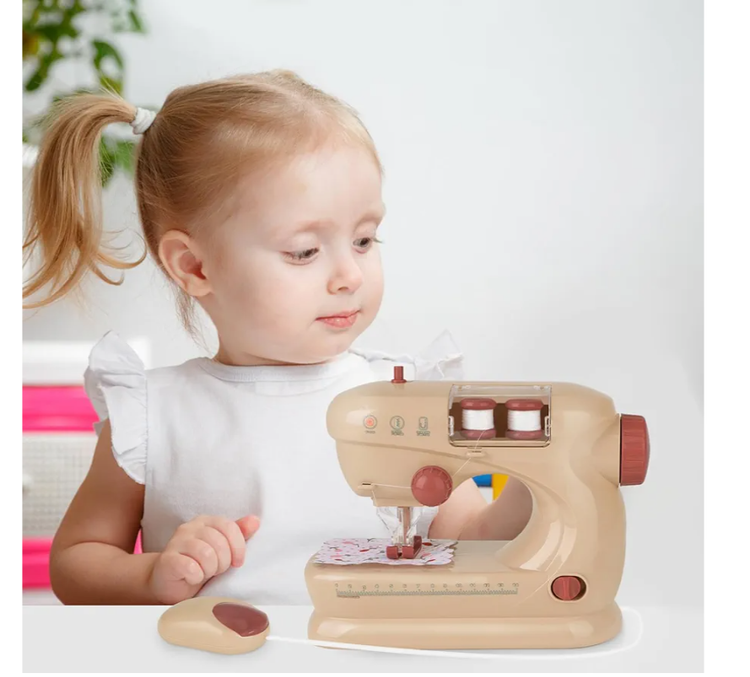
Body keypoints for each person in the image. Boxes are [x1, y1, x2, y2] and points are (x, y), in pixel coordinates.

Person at [23, 71, 532, 605]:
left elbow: (471, 538)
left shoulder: (404, 400)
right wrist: (152, 575)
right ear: (195, 266)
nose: (349, 275)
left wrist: (536, 491)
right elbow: (76, 564)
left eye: (364, 240)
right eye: (304, 251)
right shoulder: (154, 415)